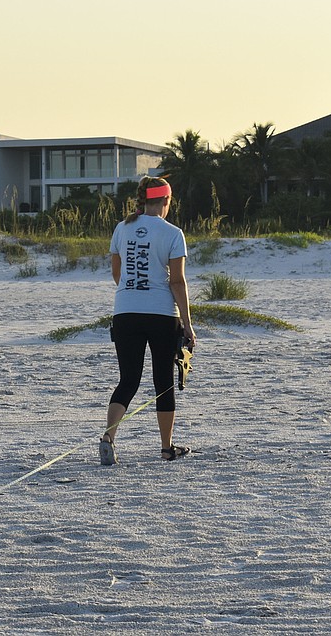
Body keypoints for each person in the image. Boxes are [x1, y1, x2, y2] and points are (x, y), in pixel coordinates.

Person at [100, 176, 196, 465]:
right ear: (166, 201)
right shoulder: (172, 232)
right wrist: (189, 324)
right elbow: (177, 282)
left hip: (126, 310)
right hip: (161, 314)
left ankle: (108, 438)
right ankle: (167, 448)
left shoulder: (122, 228)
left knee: (128, 379)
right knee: (163, 381)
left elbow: (118, 274)